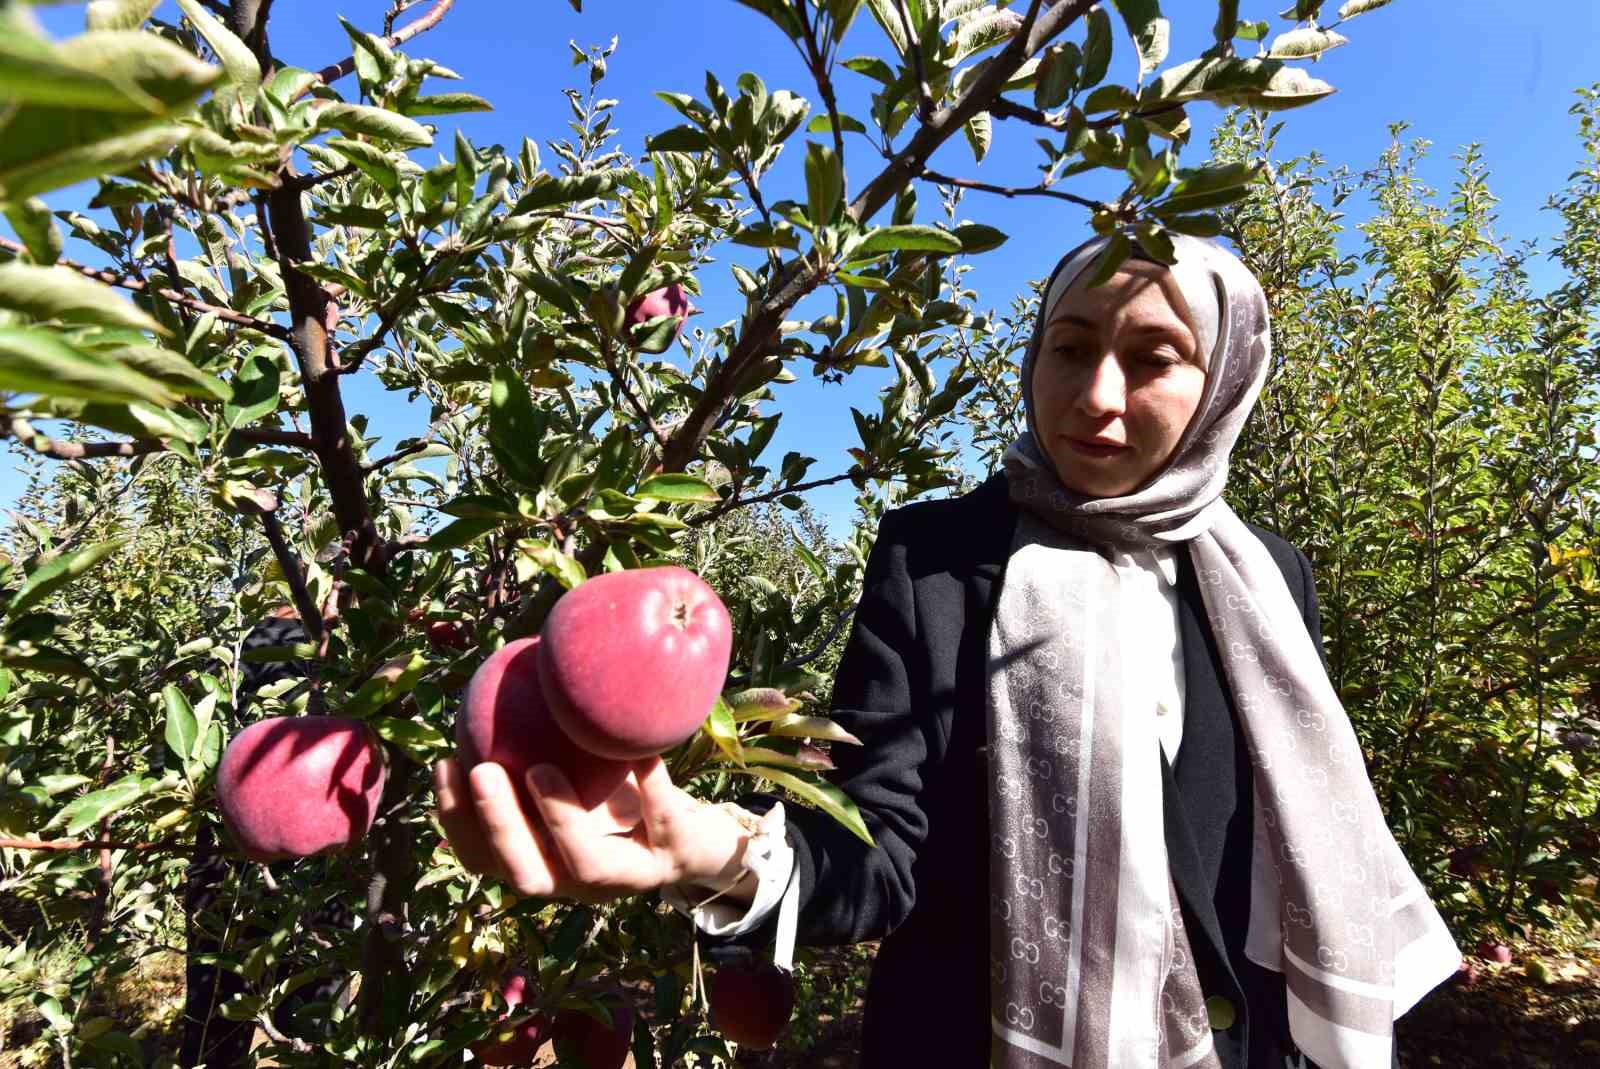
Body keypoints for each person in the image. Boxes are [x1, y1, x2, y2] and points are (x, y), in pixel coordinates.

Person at [434, 234, 1461, 1068]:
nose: (1095, 395)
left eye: (1151, 358)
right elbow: (877, 851)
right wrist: (707, 853)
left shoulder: (1266, 579)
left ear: (1223, 382)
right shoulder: (935, 562)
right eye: (1069, 346)